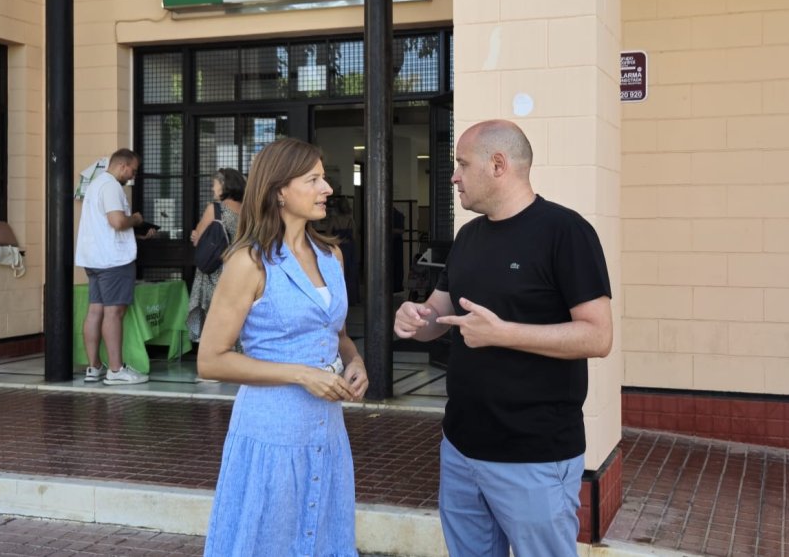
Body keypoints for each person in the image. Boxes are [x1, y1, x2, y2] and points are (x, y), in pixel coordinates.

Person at [393, 120, 613, 557]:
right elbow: (444, 311)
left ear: (498, 165)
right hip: (460, 449)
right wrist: (420, 318)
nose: (453, 176)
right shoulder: (468, 236)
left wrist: (503, 334)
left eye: (461, 164)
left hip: (533, 455)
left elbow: (597, 336)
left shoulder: (565, 232)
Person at [198, 138, 368, 557]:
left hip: (327, 433)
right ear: (279, 191)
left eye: (324, 177)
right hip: (270, 433)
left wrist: (356, 360)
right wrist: (300, 373)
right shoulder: (248, 262)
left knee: (324, 537)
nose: (327, 188)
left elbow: (338, 334)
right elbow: (210, 360)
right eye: (313, 179)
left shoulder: (332, 256)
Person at [75, 148, 155, 386]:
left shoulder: (95, 185)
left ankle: (94, 367)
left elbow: (105, 226)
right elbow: (117, 221)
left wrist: (135, 236)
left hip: (94, 259)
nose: (133, 175)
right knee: (114, 313)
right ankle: (116, 370)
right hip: (113, 261)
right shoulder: (111, 186)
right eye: (133, 170)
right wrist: (137, 220)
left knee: (95, 312)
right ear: (122, 166)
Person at [186, 167, 246, 345]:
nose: (213, 188)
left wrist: (196, 235)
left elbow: (198, 240)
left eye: (215, 184)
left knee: (212, 318)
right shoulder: (247, 211)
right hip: (238, 271)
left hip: (214, 273)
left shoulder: (216, 209)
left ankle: (214, 357)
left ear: (225, 185)